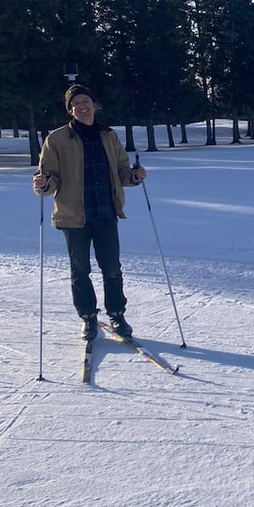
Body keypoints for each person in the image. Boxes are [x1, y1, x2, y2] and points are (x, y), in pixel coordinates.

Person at [32, 84, 147, 340]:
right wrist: (44, 183)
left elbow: (121, 170)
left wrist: (134, 177)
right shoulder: (57, 139)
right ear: (71, 110)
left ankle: (116, 314)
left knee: (112, 268)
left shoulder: (109, 136)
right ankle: (88, 317)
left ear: (95, 105)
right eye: (76, 104)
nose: (82, 106)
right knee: (80, 270)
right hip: (73, 216)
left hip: (106, 213)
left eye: (86, 101)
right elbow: (49, 177)